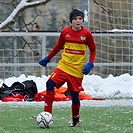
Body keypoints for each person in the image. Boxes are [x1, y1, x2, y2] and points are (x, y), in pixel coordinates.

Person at [39, 8, 96, 127]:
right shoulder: (65, 32)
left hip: (77, 70)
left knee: (74, 95)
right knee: (50, 83)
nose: (78, 21)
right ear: (71, 21)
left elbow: (93, 49)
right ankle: (47, 115)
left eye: (80, 19)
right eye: (75, 19)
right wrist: (48, 58)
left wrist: (90, 63)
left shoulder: (87, 34)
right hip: (64, 66)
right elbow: (58, 46)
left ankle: (76, 120)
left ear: (83, 21)